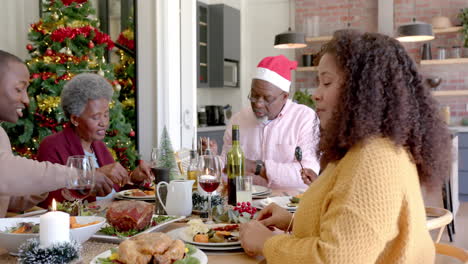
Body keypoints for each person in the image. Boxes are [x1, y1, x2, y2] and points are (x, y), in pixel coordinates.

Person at [239, 30, 451, 263]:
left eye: (326, 82)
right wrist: (292, 221)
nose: (316, 94)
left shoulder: (375, 159)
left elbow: (335, 258)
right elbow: (345, 224)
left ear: (364, 89)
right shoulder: (358, 149)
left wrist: (266, 243)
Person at [0, 50, 126, 217]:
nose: (26, 100)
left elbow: (11, 197)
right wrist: (83, 177)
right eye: (18, 89)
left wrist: (48, 185)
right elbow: (5, 173)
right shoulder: (54, 144)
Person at [204, 55, 320, 188]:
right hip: (245, 203)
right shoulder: (238, 120)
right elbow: (227, 168)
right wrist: (211, 159)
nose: (258, 104)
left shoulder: (305, 118)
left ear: (285, 97)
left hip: (289, 205)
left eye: (267, 98)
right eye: (254, 96)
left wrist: (255, 168)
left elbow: (308, 175)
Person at [37, 73, 151, 208]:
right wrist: (93, 176)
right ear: (75, 119)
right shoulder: (52, 146)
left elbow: (114, 192)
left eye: (106, 115)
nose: (104, 123)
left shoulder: (99, 146)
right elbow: (54, 201)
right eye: (96, 117)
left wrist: (134, 178)